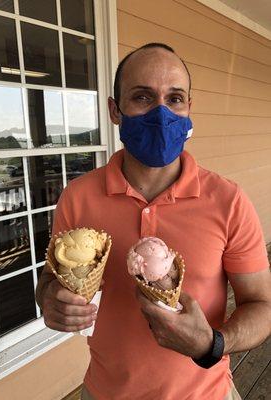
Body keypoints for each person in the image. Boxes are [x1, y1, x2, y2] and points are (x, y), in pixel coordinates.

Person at [36, 43, 271, 400]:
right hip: (104, 392)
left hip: (206, 394)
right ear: (115, 111)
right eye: (143, 97)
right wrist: (50, 301)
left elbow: (262, 306)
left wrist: (213, 342)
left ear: (189, 109)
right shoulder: (78, 197)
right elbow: (50, 281)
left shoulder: (229, 201)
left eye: (175, 98)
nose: (161, 113)